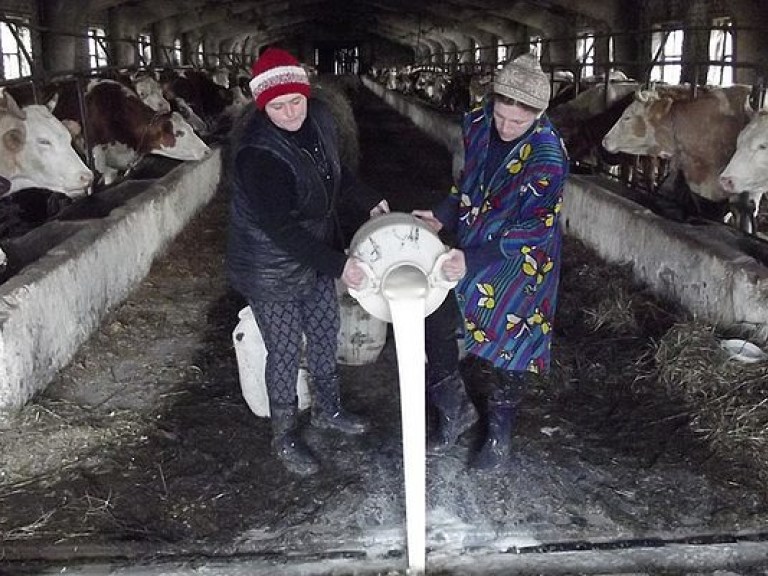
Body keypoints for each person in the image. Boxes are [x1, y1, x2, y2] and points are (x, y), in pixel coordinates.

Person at [227, 47, 389, 477]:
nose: (288, 113)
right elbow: (280, 229)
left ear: (306, 93)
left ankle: (328, 411)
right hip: (270, 265)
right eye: (276, 107)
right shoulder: (259, 154)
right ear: (262, 106)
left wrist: (369, 198)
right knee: (282, 351)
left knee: (323, 331)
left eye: (294, 101)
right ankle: (284, 436)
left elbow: (336, 174)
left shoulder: (319, 119)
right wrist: (339, 265)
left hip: (313, 248)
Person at [413, 52, 569, 469]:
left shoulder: (548, 157)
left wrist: (473, 256)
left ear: (539, 114)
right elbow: (467, 182)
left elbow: (536, 226)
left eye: (518, 122)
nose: (506, 127)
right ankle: (454, 410)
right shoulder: (478, 124)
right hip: (468, 243)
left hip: (518, 260)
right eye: (501, 115)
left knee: (510, 344)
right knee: (436, 316)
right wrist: (443, 215)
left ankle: (499, 438)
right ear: (492, 101)